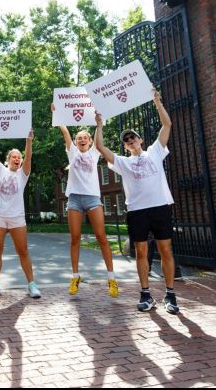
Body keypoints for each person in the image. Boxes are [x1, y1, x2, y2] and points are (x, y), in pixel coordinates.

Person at [94, 87, 180, 314]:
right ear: (125, 146)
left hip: (160, 207)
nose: (131, 141)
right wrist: (100, 126)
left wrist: (157, 103)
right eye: (127, 141)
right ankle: (146, 294)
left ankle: (170, 295)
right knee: (141, 253)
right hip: (137, 211)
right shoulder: (123, 162)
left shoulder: (155, 151)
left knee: (165, 250)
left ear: (140, 140)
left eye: (133, 138)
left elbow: (167, 125)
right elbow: (100, 147)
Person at [52, 104, 118, 298]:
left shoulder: (94, 152)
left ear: (89, 141)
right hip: (74, 199)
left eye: (85, 138)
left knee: (102, 237)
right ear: (75, 141)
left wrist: (99, 124)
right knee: (75, 238)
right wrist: (57, 113)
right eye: (79, 137)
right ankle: (75, 276)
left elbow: (100, 138)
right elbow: (64, 130)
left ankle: (112, 278)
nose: (82, 139)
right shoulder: (71, 151)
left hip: (92, 198)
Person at [0, 129, 41, 299]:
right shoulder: (0, 170)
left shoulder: (23, 174)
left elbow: (29, 157)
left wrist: (29, 140)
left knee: (23, 251)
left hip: (17, 218)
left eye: (19, 157)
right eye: (13, 156)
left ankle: (32, 284)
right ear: (8, 160)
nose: (17, 158)